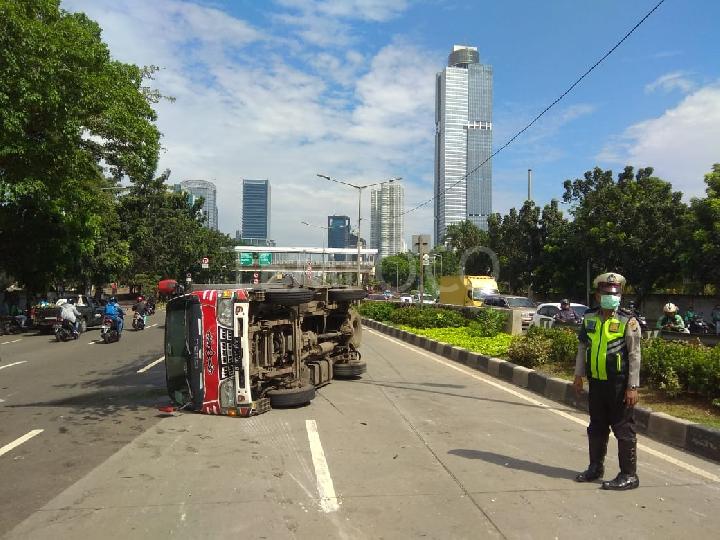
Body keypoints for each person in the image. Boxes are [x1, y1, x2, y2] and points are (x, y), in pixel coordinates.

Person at [573, 272, 641, 491]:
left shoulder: (627, 321)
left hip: (619, 385)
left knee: (624, 429)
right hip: (597, 383)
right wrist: (578, 375)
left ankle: (629, 475)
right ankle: (595, 468)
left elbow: (634, 355)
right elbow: (583, 347)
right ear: (597, 295)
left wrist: (632, 386)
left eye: (615, 293)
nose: (611, 297)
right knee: (597, 426)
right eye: (606, 293)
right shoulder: (589, 317)